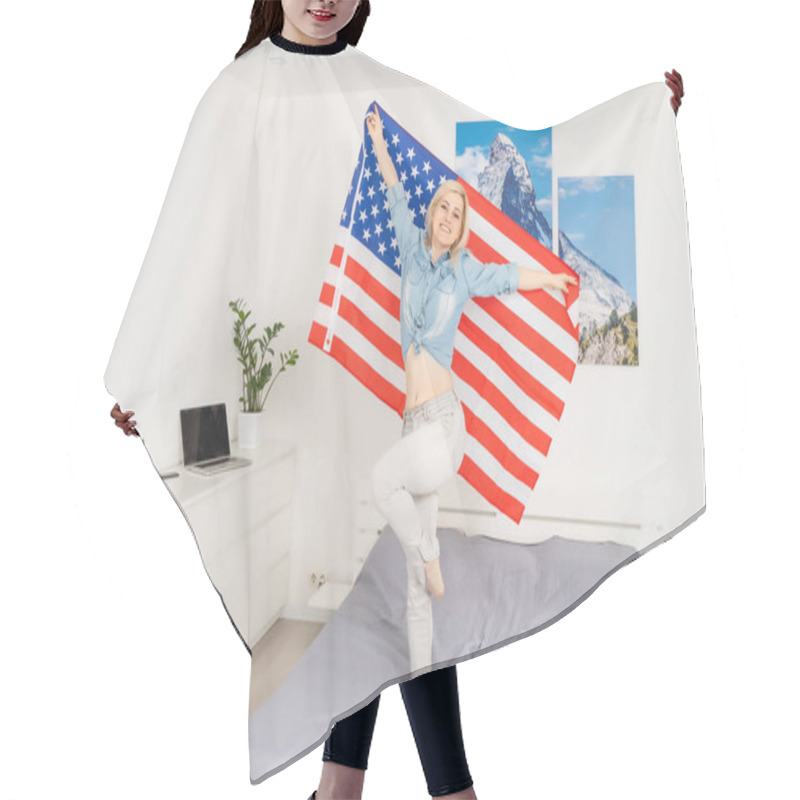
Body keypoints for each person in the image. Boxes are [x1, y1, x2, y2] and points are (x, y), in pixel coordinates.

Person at [109, 3, 685, 799]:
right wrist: (156, 380)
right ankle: (372, 787)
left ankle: (372, 789)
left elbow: (485, 168)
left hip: (379, 397)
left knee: (386, 578)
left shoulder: (378, 89)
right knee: (357, 587)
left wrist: (638, 124)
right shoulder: (238, 95)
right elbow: (201, 250)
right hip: (302, 396)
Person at [365, 103, 577, 677]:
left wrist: (553, 276)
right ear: (433, 214)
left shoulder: (463, 274)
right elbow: (390, 190)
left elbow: (510, 275)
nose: (448, 217)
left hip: (442, 425)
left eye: (458, 213)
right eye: (444, 208)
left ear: (462, 226)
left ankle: (432, 555)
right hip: (414, 427)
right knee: (415, 583)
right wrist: (381, 144)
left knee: (382, 484)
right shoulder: (411, 251)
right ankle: (422, 669)